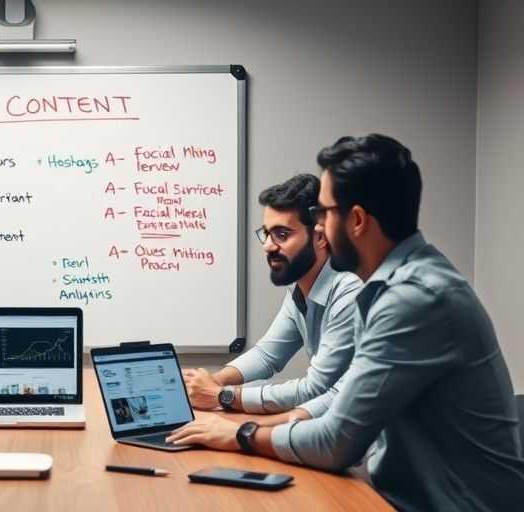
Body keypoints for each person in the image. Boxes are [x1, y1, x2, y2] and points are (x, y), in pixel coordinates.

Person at [168, 134, 524, 511]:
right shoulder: (399, 284)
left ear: (355, 220)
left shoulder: (413, 300)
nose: (319, 227)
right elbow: (341, 397)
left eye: (323, 212)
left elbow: (336, 442)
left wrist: (239, 432)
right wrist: (257, 416)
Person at [184, 174, 361, 423]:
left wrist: (221, 396)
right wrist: (214, 382)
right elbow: (267, 355)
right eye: (266, 233)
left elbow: (317, 388)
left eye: (281, 234)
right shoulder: (300, 287)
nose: (268, 246)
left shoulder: (351, 293)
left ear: (320, 237)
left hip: (368, 452)